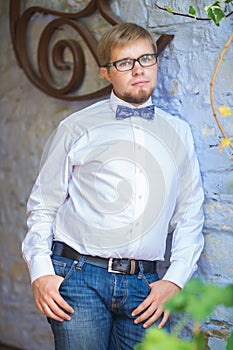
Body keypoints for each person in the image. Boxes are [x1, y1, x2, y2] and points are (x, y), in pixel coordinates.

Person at [22, 23, 204, 350]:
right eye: (124, 63)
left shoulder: (179, 133)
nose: (137, 70)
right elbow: (43, 205)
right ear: (106, 72)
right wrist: (40, 271)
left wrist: (174, 281)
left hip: (145, 286)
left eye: (145, 59)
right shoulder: (75, 127)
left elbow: (189, 215)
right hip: (79, 279)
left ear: (156, 62)